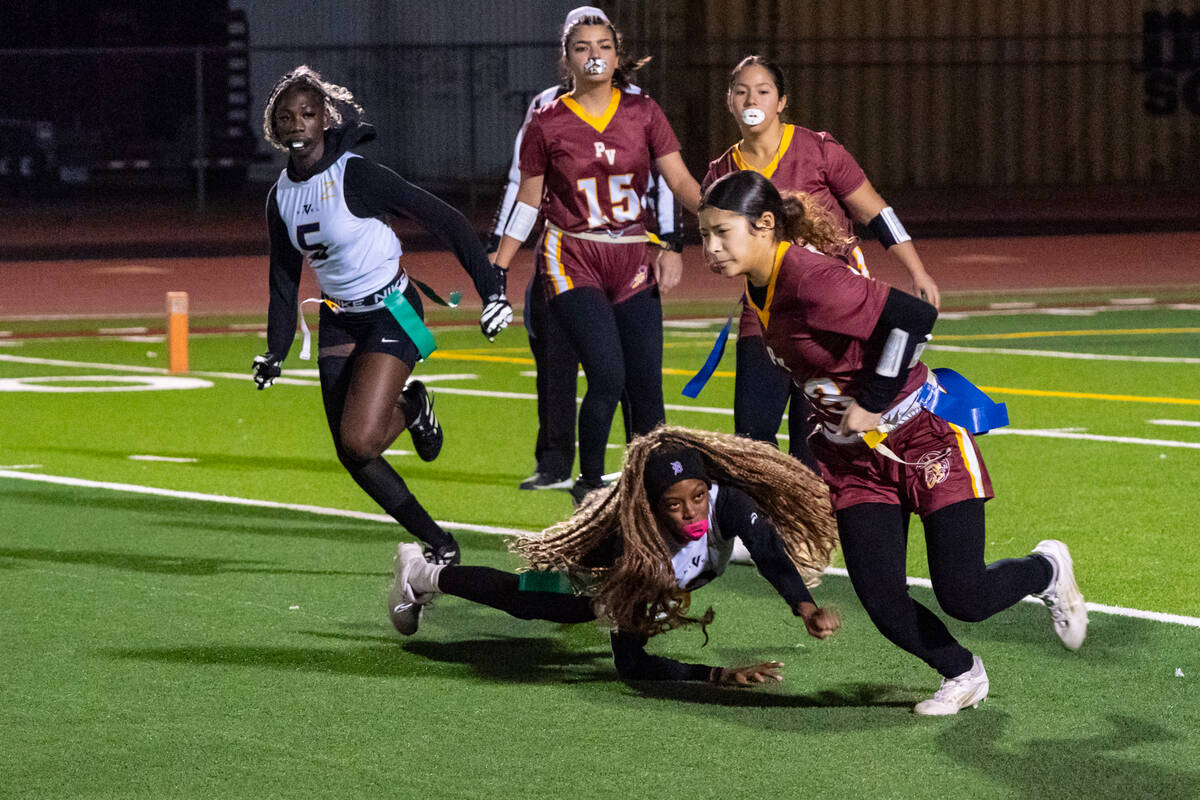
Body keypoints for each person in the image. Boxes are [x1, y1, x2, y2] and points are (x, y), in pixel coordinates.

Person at [698, 169, 1088, 715]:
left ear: (765, 226)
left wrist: (874, 399)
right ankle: (963, 673)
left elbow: (915, 316)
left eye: (722, 233)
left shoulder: (808, 277)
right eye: (704, 235)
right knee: (880, 597)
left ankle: (1048, 570)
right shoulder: (757, 284)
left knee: (965, 596)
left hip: (923, 436)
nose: (711, 248)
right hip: (854, 461)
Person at [253, 65, 512, 565]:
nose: (298, 123)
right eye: (287, 117)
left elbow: (448, 219)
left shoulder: (356, 173)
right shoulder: (279, 197)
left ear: (325, 119)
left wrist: (491, 291)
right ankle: (440, 543)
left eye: (308, 113)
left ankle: (413, 407)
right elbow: (283, 281)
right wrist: (274, 351)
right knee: (353, 455)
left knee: (359, 437)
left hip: (395, 310)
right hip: (338, 318)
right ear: (275, 127)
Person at [387, 426, 841, 685]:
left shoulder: (730, 504)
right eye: (674, 504)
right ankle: (421, 572)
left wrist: (804, 606)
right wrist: (717, 675)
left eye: (698, 496)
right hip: (603, 574)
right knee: (528, 600)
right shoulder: (635, 548)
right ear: (652, 507)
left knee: (739, 543)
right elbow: (632, 665)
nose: (691, 512)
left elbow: (768, 550)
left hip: (682, 569)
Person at [491, 12, 702, 505]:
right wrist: (498, 265)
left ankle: (653, 484)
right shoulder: (547, 119)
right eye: (582, 47)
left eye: (603, 45)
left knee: (647, 384)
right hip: (573, 255)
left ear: (617, 53)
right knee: (608, 374)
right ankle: (588, 483)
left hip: (632, 256)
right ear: (566, 58)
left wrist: (727, 210)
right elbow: (527, 198)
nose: (594, 55)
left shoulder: (644, 111)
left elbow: (680, 183)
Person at [702, 56, 939, 473]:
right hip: (768, 311)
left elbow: (877, 213)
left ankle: (816, 529)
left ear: (782, 101)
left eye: (762, 91)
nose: (751, 99)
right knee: (751, 434)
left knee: (812, 438)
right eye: (741, 91)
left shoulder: (819, 149)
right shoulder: (722, 174)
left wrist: (916, 269)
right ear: (729, 101)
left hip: (835, 309)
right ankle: (763, 532)